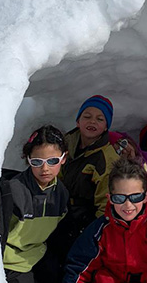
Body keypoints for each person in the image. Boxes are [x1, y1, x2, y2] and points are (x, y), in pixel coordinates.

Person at [0, 125, 69, 283]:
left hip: (37, 253)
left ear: (63, 158)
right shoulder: (13, 190)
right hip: (12, 260)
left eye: (52, 161)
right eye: (37, 161)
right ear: (28, 160)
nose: (45, 168)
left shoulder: (61, 193)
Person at [49, 95, 120, 259]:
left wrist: (95, 234)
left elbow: (106, 202)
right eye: (87, 116)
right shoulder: (64, 144)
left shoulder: (106, 159)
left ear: (105, 127)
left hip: (82, 218)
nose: (92, 122)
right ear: (78, 122)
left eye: (100, 119)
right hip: (56, 205)